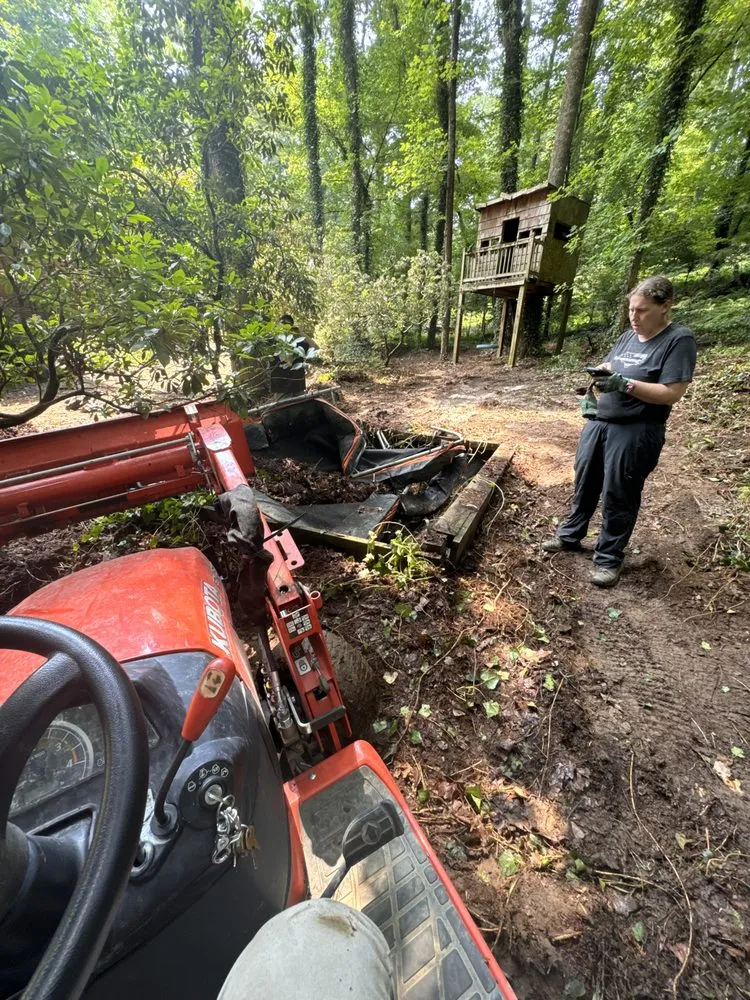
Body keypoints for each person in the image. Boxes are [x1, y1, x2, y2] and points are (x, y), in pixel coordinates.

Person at [541, 275, 697, 588]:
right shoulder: (628, 336)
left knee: (619, 492)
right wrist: (599, 377)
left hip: (637, 429)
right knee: (585, 481)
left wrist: (625, 385)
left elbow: (672, 392)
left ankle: (608, 558)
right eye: (630, 310)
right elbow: (613, 365)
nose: (634, 317)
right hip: (601, 421)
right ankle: (570, 536)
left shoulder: (678, 340)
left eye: (642, 310)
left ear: (665, 306)